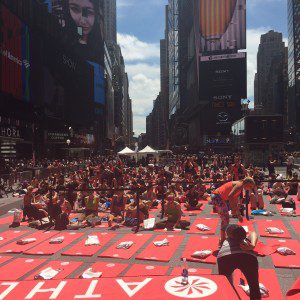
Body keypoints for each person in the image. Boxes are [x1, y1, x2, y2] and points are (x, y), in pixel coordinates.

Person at [217, 224, 261, 300]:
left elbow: (221, 241)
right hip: (248, 257)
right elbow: (253, 233)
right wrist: (253, 245)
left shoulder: (226, 241)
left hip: (225, 257)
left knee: (226, 285)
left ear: (228, 235)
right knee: (254, 286)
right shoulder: (246, 239)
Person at [211, 177, 256, 245]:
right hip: (218, 197)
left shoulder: (240, 186)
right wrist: (233, 210)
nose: (249, 188)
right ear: (246, 183)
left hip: (218, 197)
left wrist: (238, 214)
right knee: (225, 219)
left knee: (225, 219)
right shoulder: (239, 185)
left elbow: (234, 199)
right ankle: (222, 239)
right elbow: (230, 196)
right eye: (250, 186)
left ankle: (223, 238)